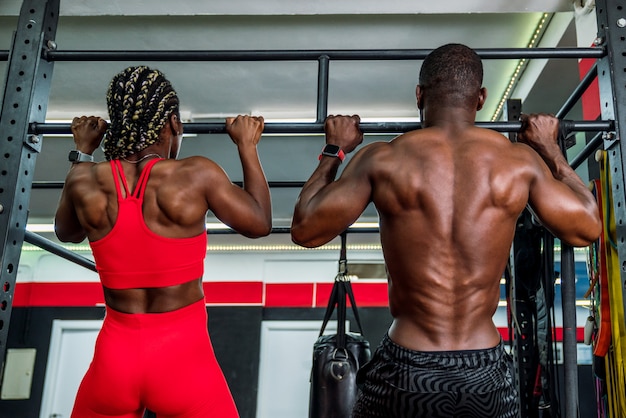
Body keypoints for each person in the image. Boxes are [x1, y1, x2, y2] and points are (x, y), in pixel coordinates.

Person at [290, 43, 602, 418]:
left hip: (407, 370)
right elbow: (587, 227)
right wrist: (551, 151)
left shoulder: (383, 159)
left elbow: (305, 229)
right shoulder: (519, 162)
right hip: (484, 371)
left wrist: (334, 150)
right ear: (482, 98)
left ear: (419, 95)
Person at [54, 65, 271, 418]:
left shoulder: (84, 181)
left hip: (115, 359)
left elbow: (68, 232)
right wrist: (247, 145)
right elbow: (259, 222)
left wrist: (82, 153)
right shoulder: (195, 173)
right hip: (183, 357)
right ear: (172, 123)